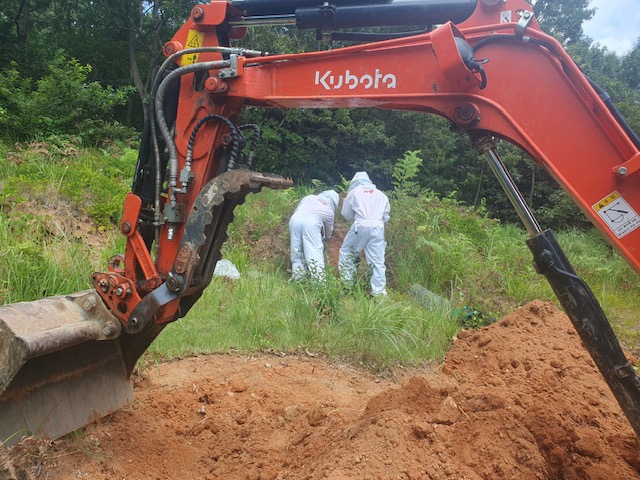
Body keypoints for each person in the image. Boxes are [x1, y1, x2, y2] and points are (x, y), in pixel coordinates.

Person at [339, 172, 390, 296]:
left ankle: (347, 286)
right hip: (378, 227)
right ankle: (379, 293)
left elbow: (346, 214)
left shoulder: (354, 192)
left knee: (347, 253)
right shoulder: (382, 195)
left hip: (360, 225)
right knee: (377, 261)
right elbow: (385, 216)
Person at [288, 189, 340, 281]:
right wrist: (324, 239)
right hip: (311, 223)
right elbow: (328, 233)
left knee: (296, 250)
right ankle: (319, 282)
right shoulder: (329, 211)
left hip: (295, 219)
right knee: (314, 252)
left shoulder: (308, 197)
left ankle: (298, 277)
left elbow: (297, 210)